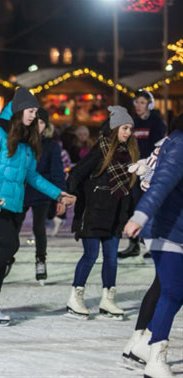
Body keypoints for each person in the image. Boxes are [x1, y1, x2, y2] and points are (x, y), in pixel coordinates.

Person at [0, 88, 76, 325]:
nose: (34, 116)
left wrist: (58, 194)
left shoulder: (26, 140)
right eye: (30, 111)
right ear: (18, 110)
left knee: (5, 252)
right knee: (10, 244)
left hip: (15, 203)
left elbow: (32, 176)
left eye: (36, 112)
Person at [120, 115, 182, 376]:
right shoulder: (179, 145)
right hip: (164, 228)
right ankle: (156, 356)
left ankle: (145, 344)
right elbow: (161, 183)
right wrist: (139, 216)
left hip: (176, 228)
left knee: (172, 290)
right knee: (172, 291)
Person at [65, 106, 138, 320]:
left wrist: (131, 213)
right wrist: (70, 194)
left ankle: (107, 300)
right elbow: (77, 173)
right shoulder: (101, 149)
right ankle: (75, 298)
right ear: (115, 128)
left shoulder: (130, 153)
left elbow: (128, 189)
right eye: (125, 128)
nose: (128, 132)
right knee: (90, 255)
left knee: (112, 258)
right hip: (94, 211)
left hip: (115, 213)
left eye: (130, 128)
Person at [119, 90, 167, 259]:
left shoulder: (156, 122)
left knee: (148, 206)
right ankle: (133, 245)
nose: (138, 106)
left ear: (149, 104)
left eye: (142, 102)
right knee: (131, 205)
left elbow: (158, 147)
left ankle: (152, 245)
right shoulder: (133, 123)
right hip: (133, 169)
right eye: (136, 102)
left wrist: (148, 165)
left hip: (149, 170)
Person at [22, 108, 66, 285]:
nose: (37, 126)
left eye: (41, 122)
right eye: (35, 122)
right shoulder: (20, 143)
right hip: (21, 192)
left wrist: (61, 195)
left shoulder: (51, 146)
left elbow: (57, 172)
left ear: (46, 125)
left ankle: (41, 261)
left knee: (39, 227)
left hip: (42, 192)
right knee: (13, 227)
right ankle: (7, 259)